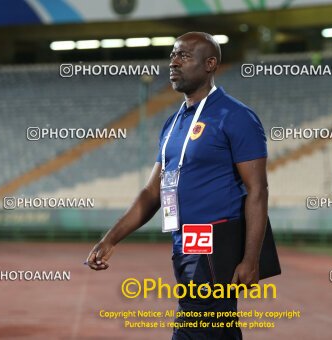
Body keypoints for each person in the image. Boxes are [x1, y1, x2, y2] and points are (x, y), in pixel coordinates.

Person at [87, 32, 268, 339]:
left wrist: (251, 259)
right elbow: (151, 192)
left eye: (184, 56)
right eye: (172, 55)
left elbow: (258, 191)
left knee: (194, 329)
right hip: (183, 242)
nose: (173, 62)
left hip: (215, 243)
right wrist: (111, 239)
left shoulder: (235, 116)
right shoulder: (173, 124)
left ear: (210, 64)